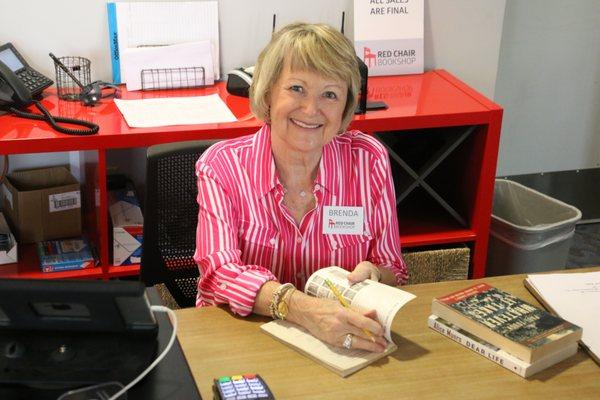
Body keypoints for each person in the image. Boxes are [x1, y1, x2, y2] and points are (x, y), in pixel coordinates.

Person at [194, 22, 407, 353]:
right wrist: (304, 310)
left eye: (330, 94)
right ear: (267, 93)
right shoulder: (222, 167)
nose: (311, 110)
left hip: (340, 344)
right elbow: (217, 276)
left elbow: (393, 267)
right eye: (296, 89)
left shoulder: (368, 161)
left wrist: (375, 277)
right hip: (243, 340)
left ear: (345, 107)